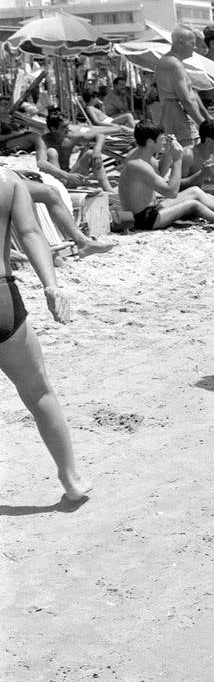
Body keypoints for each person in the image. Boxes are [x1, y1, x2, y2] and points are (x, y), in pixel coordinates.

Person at [0, 168, 92, 502]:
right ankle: (71, 478)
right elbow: (30, 232)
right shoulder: (8, 181)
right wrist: (50, 286)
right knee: (38, 392)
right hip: (2, 300)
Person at [119, 120, 214, 231]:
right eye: (161, 139)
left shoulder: (146, 158)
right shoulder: (136, 164)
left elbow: (159, 173)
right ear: (150, 142)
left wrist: (168, 152)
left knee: (195, 191)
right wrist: (177, 160)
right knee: (193, 204)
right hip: (144, 219)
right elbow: (171, 192)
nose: (164, 141)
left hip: (152, 208)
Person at [156, 25, 212, 179]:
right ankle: (187, 189)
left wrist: (205, 118)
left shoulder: (172, 62)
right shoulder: (173, 64)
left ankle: (157, 187)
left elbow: (191, 96)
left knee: (170, 153)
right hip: (177, 114)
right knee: (188, 153)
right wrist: (204, 125)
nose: (194, 47)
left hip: (173, 113)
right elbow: (186, 99)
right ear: (180, 42)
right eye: (192, 43)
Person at [43, 108, 114, 193]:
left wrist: (97, 150)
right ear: (54, 129)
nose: (68, 128)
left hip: (69, 177)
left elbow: (100, 135)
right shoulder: (44, 141)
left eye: (68, 125)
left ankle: (108, 189)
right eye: (64, 127)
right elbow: (41, 164)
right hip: (54, 182)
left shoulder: (71, 136)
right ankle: (61, 190)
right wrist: (67, 175)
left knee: (91, 153)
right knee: (51, 152)